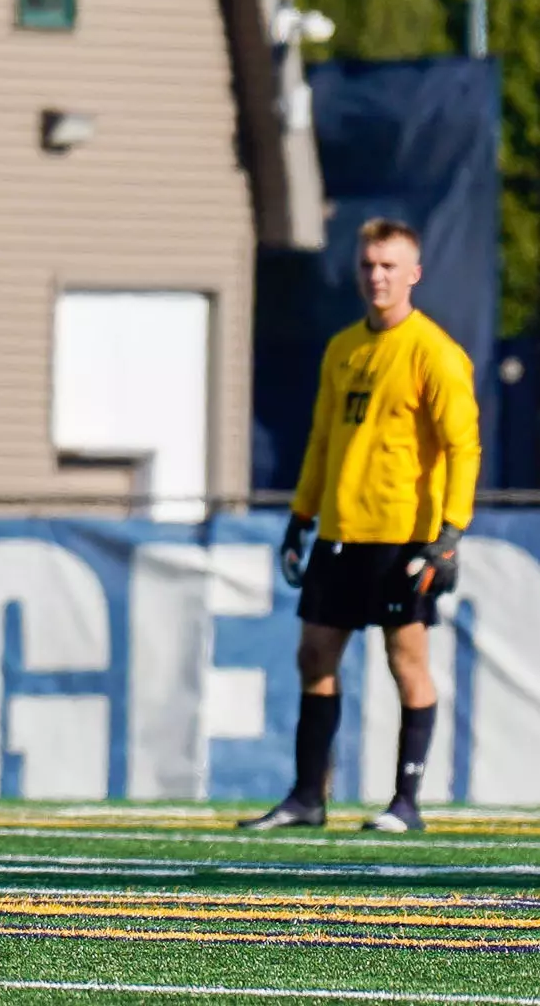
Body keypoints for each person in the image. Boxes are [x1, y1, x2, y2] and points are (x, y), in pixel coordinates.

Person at [240, 217, 480, 834]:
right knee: (314, 654)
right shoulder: (344, 347)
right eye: (369, 265)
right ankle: (306, 797)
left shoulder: (434, 353)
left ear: (414, 274)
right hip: (342, 531)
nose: (377, 276)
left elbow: (462, 446)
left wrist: (448, 535)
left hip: (404, 535)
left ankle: (406, 801)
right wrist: (301, 515)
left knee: (407, 661)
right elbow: (324, 438)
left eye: (390, 266)